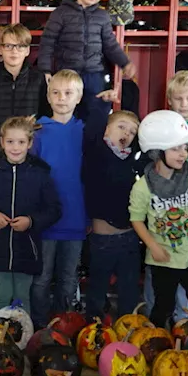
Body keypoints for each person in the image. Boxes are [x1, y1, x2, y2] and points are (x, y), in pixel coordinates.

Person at [129, 111, 188, 328]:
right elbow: (137, 219)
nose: (184, 154)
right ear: (156, 151)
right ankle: (160, 350)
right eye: (176, 148)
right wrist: (153, 246)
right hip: (162, 258)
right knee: (163, 307)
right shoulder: (142, 187)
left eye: (185, 147)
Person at [0, 116, 61, 325]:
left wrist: (31, 221)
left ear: (29, 144)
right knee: (2, 297)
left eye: (21, 142)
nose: (15, 147)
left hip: (27, 249)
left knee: (22, 298)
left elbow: (54, 210)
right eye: (10, 142)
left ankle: (23, 344)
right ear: (2, 142)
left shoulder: (41, 176)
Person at [38, 0, 133, 120]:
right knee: (67, 117)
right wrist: (45, 70)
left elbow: (110, 44)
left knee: (95, 118)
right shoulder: (60, 13)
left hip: (94, 76)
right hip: (67, 75)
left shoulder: (102, 16)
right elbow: (47, 42)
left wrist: (125, 63)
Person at [29, 69, 86, 318]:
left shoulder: (86, 131)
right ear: (48, 97)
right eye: (55, 93)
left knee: (68, 277)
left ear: (79, 97)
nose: (61, 98)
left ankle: (65, 324)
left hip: (76, 218)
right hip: (45, 219)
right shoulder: (38, 130)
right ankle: (40, 327)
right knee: (41, 277)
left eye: (68, 93)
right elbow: (30, 175)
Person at [83, 107, 142, 319]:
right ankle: (93, 329)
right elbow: (91, 133)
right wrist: (101, 107)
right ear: (106, 130)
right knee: (98, 288)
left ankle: (127, 325)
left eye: (132, 132)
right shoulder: (98, 153)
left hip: (129, 236)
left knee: (129, 289)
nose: (126, 133)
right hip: (104, 238)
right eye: (121, 127)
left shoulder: (131, 161)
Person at [0, 23, 46, 138]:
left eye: (20, 46)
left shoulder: (39, 79)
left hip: (29, 147)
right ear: (0, 49)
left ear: (27, 50)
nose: (14, 51)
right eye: (8, 46)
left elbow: (45, 114)